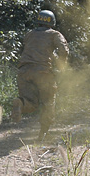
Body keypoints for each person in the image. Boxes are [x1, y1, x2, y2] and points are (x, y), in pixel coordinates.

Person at [12, 9, 70, 140]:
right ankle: (43, 133)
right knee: (48, 102)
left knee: (31, 103)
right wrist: (62, 66)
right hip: (43, 73)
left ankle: (20, 103)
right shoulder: (54, 34)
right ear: (52, 22)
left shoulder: (29, 34)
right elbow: (64, 50)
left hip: (24, 72)